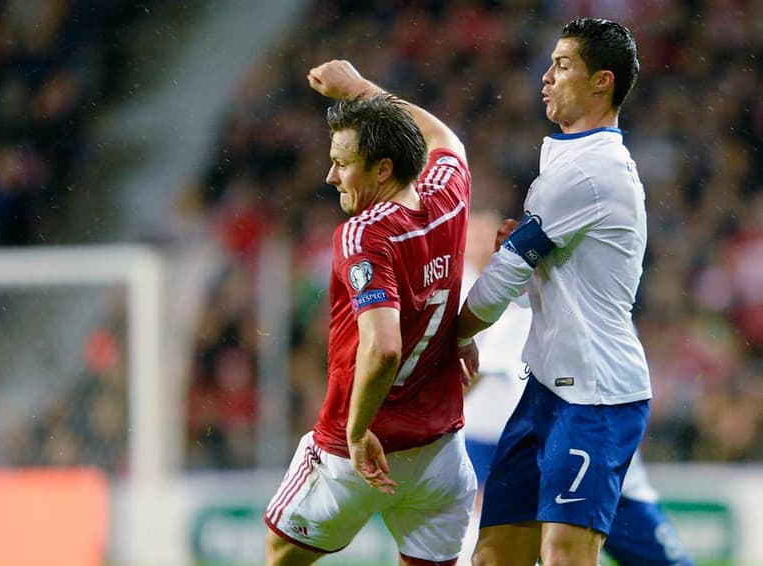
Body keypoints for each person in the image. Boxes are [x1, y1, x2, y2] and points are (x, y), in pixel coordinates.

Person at [264, 59, 477, 565]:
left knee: (279, 554)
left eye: (342, 162)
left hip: (356, 453)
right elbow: (443, 136)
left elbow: (383, 347)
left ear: (382, 169)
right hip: (440, 454)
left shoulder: (365, 234)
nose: (330, 174)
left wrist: (358, 433)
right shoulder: (448, 196)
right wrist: (362, 91)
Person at [457, 18, 653, 565]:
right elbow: (531, 288)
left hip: (596, 396)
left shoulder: (590, 172)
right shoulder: (569, 164)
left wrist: (447, 340)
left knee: (566, 555)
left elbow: (499, 286)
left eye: (562, 66)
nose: (545, 77)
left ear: (602, 82)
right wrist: (519, 256)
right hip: (546, 392)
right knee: (495, 554)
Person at [458, 212, 694, 566]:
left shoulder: (539, 300)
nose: (479, 243)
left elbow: (475, 377)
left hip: (587, 446)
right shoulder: (477, 295)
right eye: (470, 235)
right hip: (516, 447)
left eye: (486, 234)